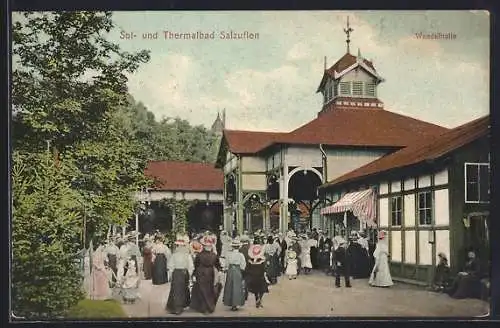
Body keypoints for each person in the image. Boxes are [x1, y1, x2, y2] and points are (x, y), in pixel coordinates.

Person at [190, 236, 222, 314]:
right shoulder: (214, 255)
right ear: (211, 246)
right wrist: (220, 272)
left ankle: (203, 307)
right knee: (209, 289)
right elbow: (218, 265)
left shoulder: (199, 255)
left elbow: (196, 264)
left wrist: (194, 274)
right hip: (210, 272)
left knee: (201, 289)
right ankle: (209, 306)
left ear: (203, 246)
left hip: (200, 272)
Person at [166, 235, 194, 315]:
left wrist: (170, 275)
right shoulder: (186, 255)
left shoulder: (175, 255)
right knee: (181, 289)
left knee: (177, 290)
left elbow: (171, 266)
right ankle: (180, 306)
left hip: (177, 273)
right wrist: (190, 274)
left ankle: (178, 306)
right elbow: (190, 266)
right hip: (183, 273)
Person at [223, 238, 247, 311]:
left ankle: (230, 302)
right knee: (237, 286)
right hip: (237, 270)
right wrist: (242, 270)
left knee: (230, 285)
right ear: (238, 247)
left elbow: (226, 264)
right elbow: (243, 264)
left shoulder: (228, 254)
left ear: (232, 247)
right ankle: (236, 303)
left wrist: (226, 268)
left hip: (230, 270)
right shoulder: (240, 255)